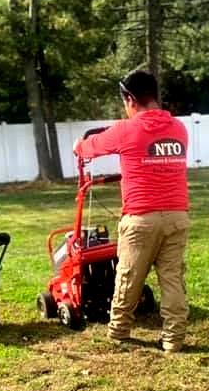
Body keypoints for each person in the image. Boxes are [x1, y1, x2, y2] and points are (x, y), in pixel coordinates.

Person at [73, 70, 190, 352]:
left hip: (141, 219)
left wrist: (78, 145)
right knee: (172, 278)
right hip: (177, 216)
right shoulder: (178, 129)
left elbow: (89, 148)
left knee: (128, 276)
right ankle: (173, 340)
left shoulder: (126, 130)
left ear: (130, 99)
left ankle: (119, 330)